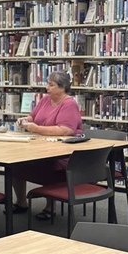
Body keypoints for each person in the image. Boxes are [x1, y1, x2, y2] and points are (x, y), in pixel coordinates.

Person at [12, 70, 83, 219]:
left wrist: (36, 129)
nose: (47, 88)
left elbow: (66, 130)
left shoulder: (69, 104)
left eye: (51, 85)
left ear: (62, 87)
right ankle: (21, 201)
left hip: (64, 154)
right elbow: (33, 117)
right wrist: (25, 120)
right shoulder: (45, 100)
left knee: (47, 165)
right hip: (41, 146)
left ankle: (50, 206)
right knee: (14, 164)